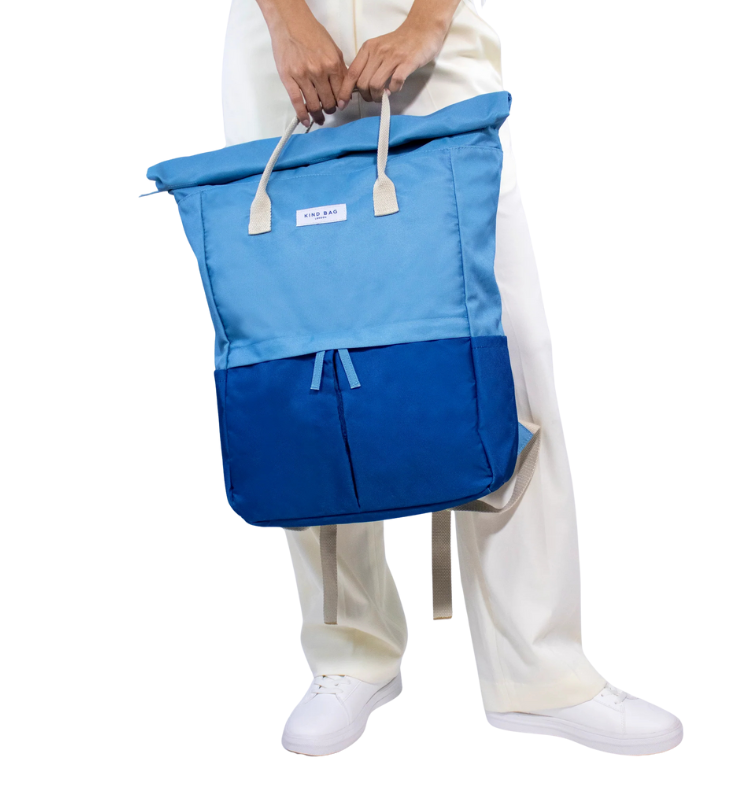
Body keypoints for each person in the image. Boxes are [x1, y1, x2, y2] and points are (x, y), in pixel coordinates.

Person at [221, 0, 683, 756]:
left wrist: (427, 22)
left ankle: (541, 671)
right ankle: (350, 652)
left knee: (505, 358)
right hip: (284, 54)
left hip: (433, 56)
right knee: (307, 356)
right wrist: (285, 18)